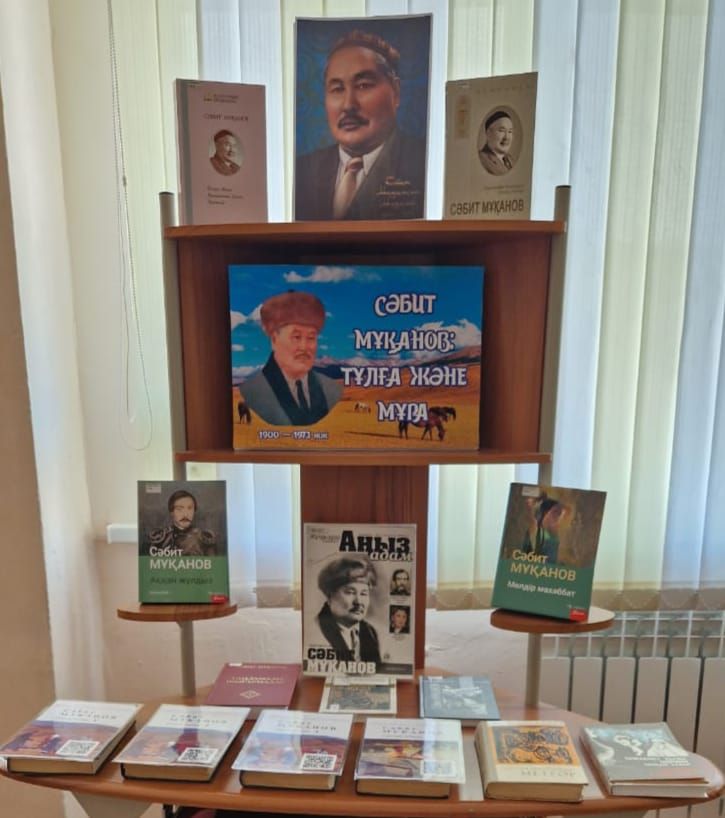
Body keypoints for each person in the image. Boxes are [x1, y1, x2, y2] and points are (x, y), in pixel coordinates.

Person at [295, 29, 426, 220]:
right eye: (337, 89)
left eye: (363, 85)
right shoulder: (303, 171)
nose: (348, 105)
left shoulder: (423, 165)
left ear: (395, 92)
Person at [239, 291, 342, 426]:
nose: (304, 347)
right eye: (296, 337)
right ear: (274, 339)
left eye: (311, 337)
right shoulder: (255, 390)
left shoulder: (331, 390)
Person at [314, 557, 381, 664]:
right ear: (329, 596)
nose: (358, 602)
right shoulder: (316, 630)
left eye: (364, 593)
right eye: (350, 592)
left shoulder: (370, 632)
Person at [147, 489, 217, 556]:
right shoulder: (160, 539)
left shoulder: (204, 540)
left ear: (194, 511)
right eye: (179, 509)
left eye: (190, 508)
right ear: (172, 512)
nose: (185, 514)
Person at [520, 492, 569, 563]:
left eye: (558, 514)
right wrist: (536, 501)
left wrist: (543, 499)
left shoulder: (553, 533)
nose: (557, 518)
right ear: (544, 513)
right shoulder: (536, 529)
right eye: (554, 513)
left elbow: (566, 510)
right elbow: (530, 512)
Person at [479, 110, 515, 176]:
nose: (506, 137)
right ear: (489, 133)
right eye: (501, 131)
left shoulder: (510, 160)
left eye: (510, 131)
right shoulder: (482, 159)